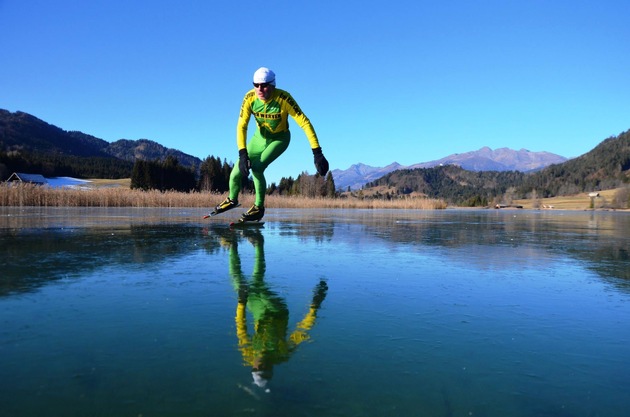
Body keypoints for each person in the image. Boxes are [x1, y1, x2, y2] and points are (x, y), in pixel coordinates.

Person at [211, 67, 329, 221]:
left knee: (258, 168)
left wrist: (317, 153)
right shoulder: (249, 98)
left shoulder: (284, 98)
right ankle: (232, 199)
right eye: (256, 85)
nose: (260, 89)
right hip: (258, 138)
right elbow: (242, 126)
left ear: (273, 85)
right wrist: (242, 153)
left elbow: (305, 123)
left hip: (279, 139)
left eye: (264, 85)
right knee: (235, 173)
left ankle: (259, 208)